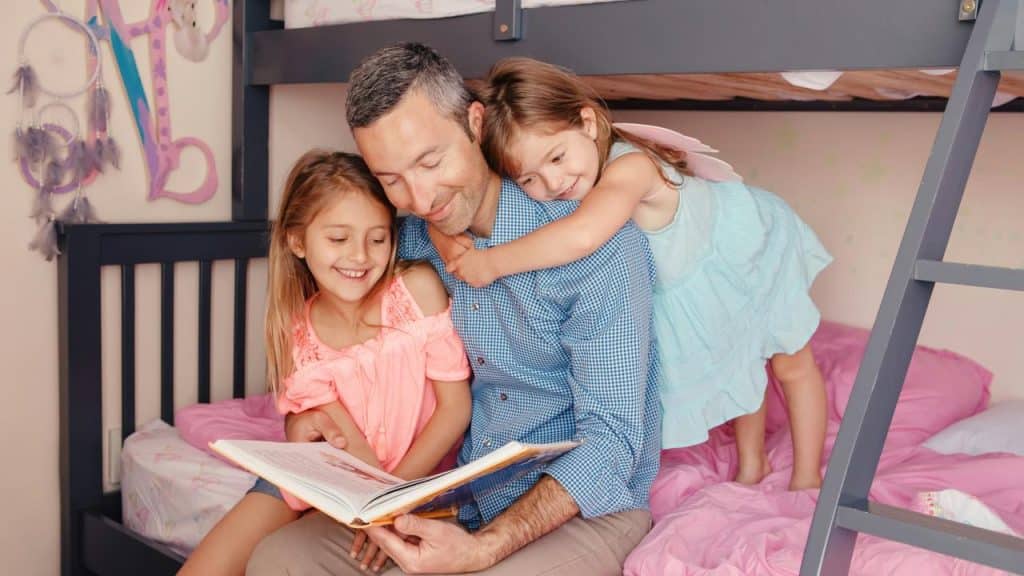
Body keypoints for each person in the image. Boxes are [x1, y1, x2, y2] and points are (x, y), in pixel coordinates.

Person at [246, 43, 661, 575]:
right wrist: (308, 422)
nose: (418, 197)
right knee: (280, 559)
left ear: (475, 123)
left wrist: (484, 549)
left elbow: (613, 443)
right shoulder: (411, 239)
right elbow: (342, 339)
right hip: (460, 493)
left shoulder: (595, 246)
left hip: (584, 507)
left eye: (430, 160)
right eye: (392, 179)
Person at [434, 57, 831, 491]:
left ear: (587, 122)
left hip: (744, 252)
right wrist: (449, 239)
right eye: (529, 178)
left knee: (791, 364)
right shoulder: (576, 179)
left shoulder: (631, 167)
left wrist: (492, 263)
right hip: (692, 280)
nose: (552, 182)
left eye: (556, 157)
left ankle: (807, 476)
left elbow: (582, 235)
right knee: (735, 361)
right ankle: (753, 465)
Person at [179, 150, 472, 575]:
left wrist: (390, 504)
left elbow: (455, 408)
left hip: (409, 481)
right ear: (298, 241)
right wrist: (368, 505)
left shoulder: (416, 292)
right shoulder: (302, 332)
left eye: (378, 238)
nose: (360, 257)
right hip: (336, 475)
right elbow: (344, 443)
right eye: (338, 239)